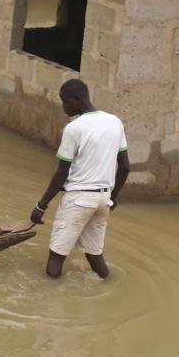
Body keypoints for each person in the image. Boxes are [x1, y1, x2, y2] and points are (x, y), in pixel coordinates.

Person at [30, 79, 130, 279]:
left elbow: (61, 173)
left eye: (65, 101)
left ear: (79, 99)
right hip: (103, 199)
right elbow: (125, 167)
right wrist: (113, 197)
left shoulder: (74, 128)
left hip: (78, 199)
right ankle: (108, 287)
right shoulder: (114, 122)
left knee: (56, 258)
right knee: (94, 256)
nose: (63, 106)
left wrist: (41, 206)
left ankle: (48, 302)